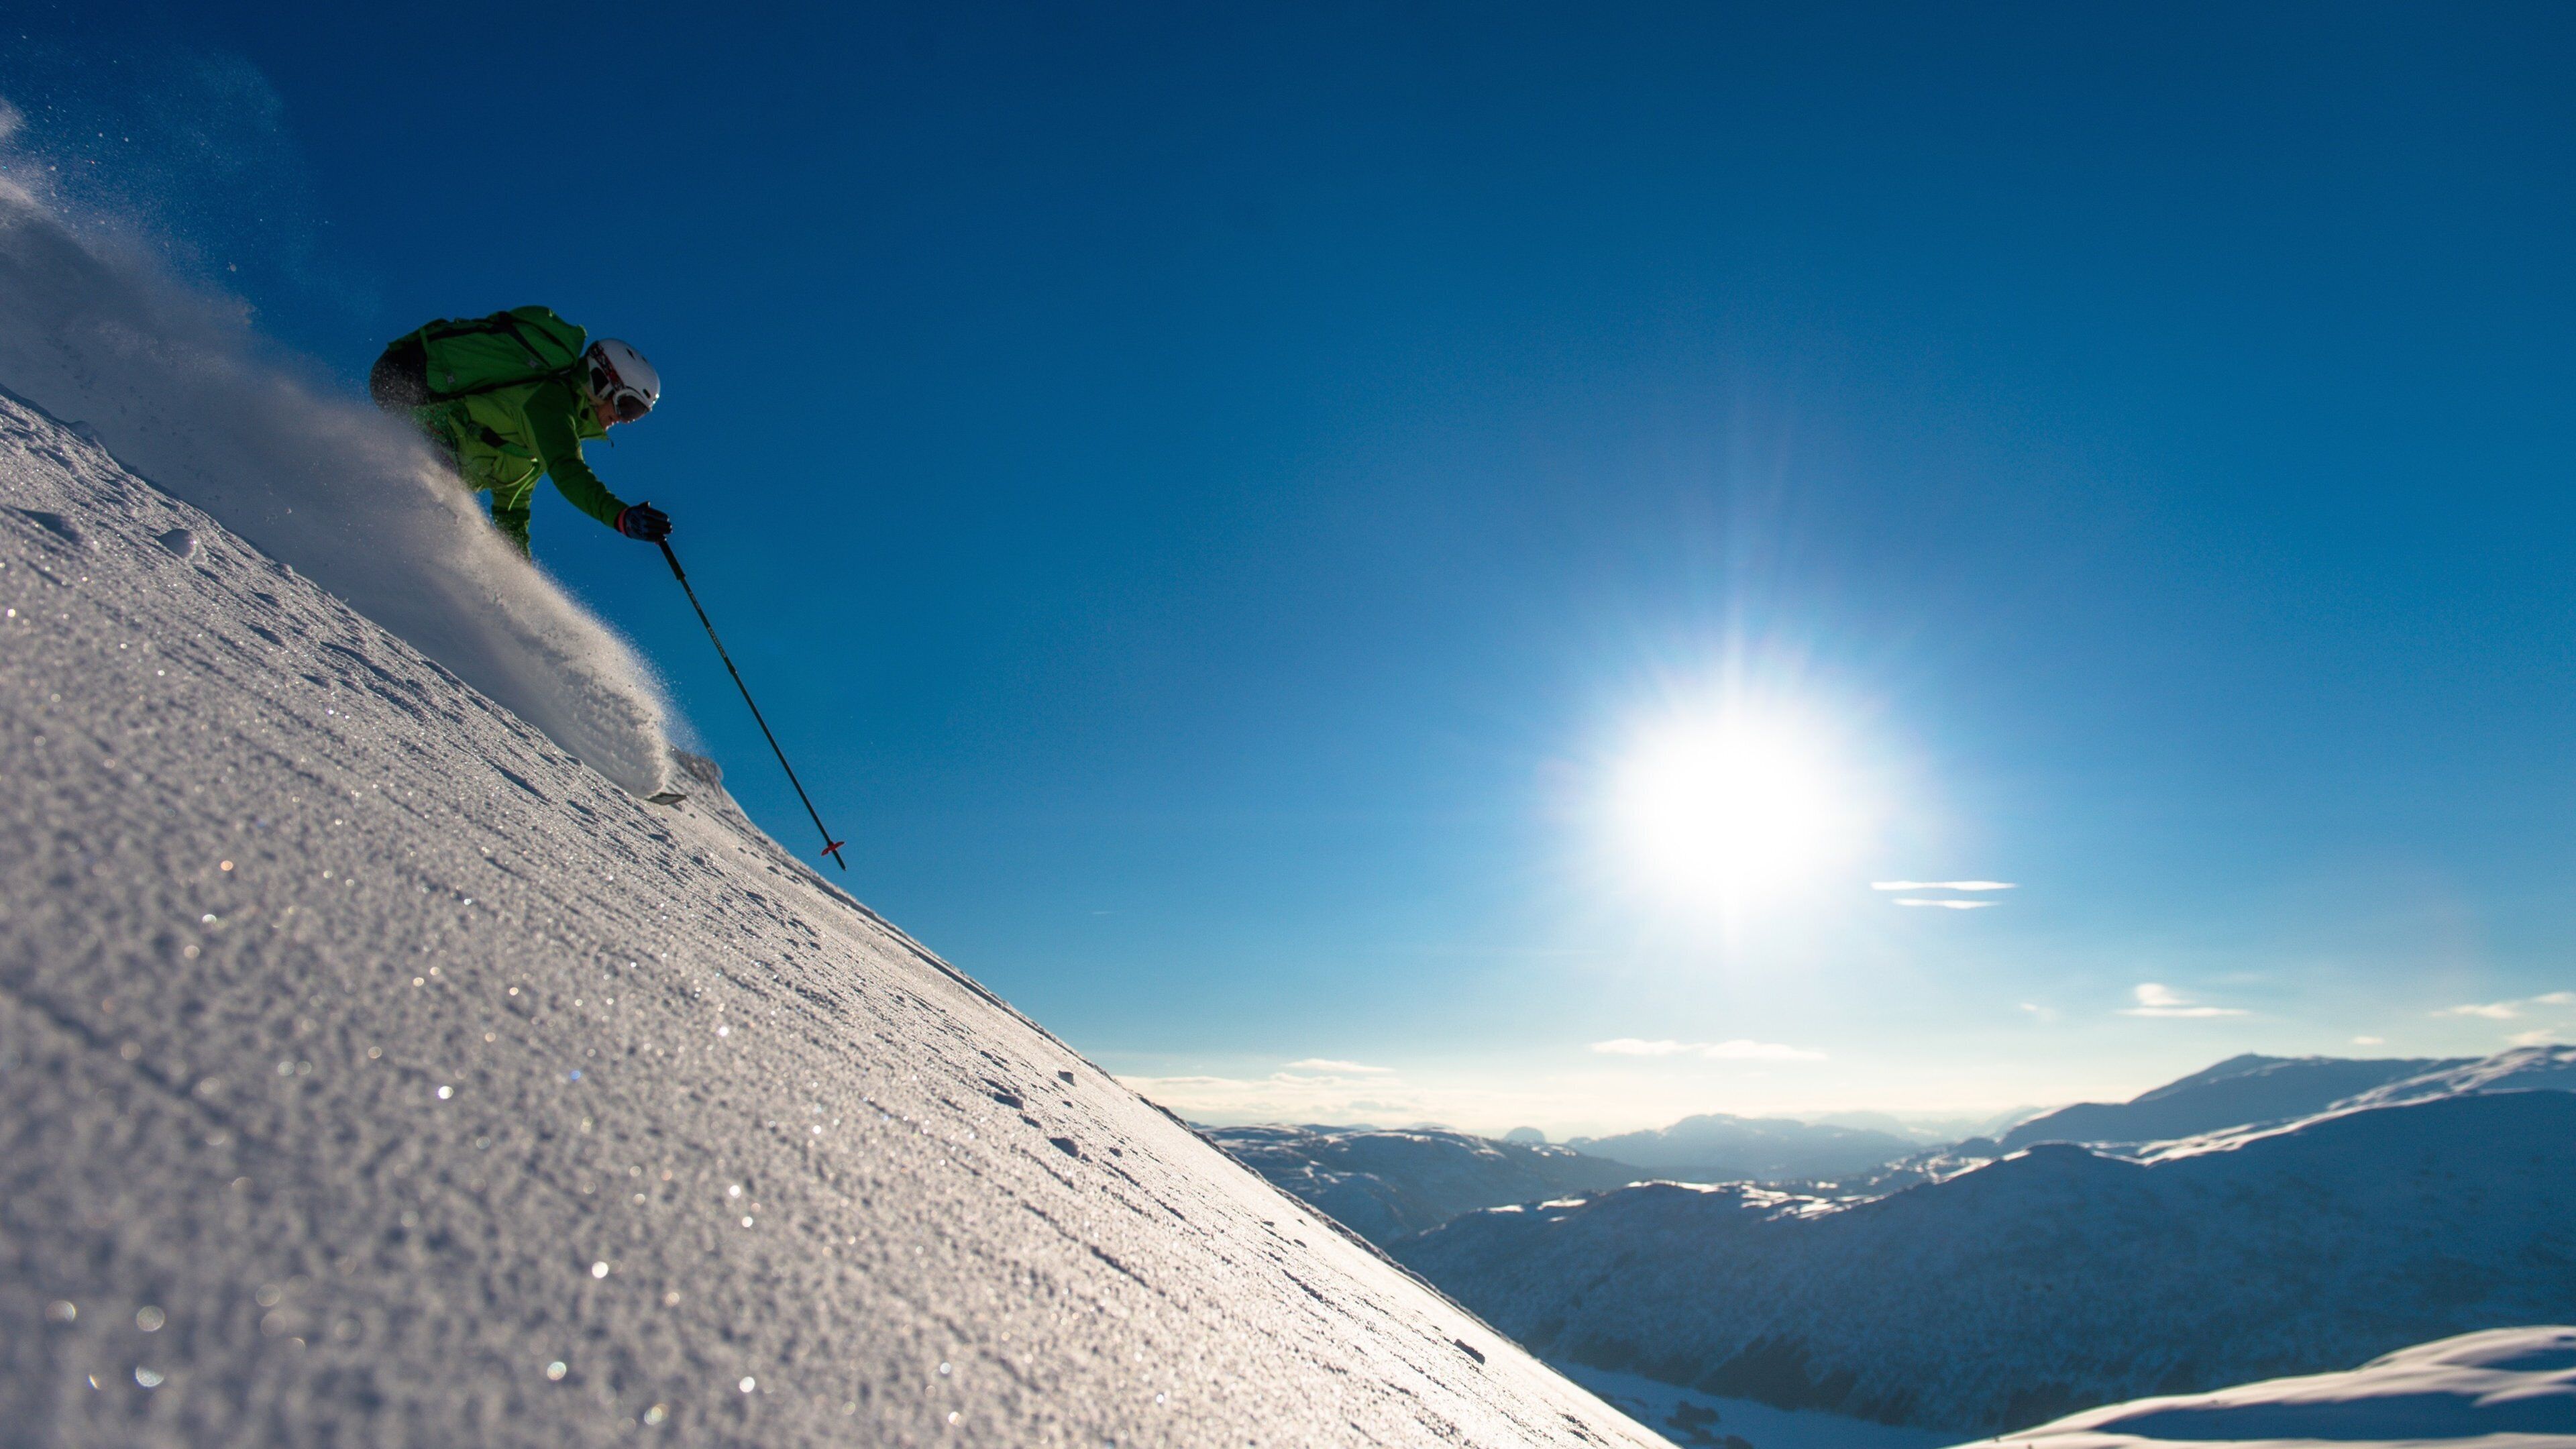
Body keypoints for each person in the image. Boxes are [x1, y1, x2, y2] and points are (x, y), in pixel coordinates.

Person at [368, 306, 670, 557]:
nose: (624, 420)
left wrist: (519, 585)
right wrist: (621, 517)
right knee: (436, 505)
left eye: (636, 415)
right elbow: (568, 471)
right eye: (627, 406)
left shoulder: (533, 456)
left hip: (430, 442)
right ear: (602, 381)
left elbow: (512, 513)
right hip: (418, 406)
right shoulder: (548, 402)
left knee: (437, 506)